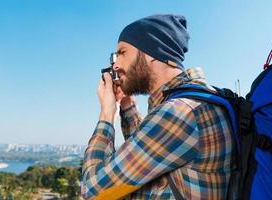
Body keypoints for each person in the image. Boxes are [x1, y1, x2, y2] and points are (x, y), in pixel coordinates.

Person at [81, 14, 236, 200]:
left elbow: (93, 191)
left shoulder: (179, 112)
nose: (115, 64)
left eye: (122, 53)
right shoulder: (195, 101)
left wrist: (107, 113)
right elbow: (146, 153)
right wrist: (126, 104)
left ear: (152, 53)